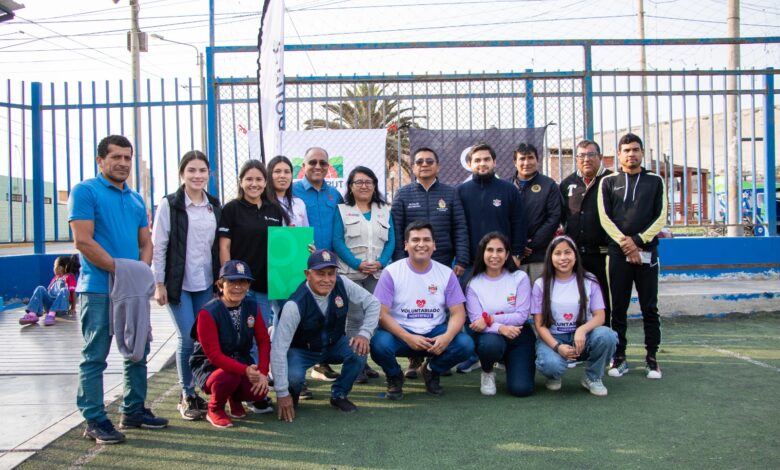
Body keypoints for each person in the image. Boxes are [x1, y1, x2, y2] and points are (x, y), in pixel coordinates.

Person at [69, 134, 168, 445]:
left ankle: (134, 409)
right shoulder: (85, 191)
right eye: (117, 157)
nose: (123, 163)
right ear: (101, 160)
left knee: (138, 350)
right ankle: (94, 418)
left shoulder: (136, 199)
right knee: (95, 355)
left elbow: (146, 243)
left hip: (131, 291)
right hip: (98, 289)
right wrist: (124, 271)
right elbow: (83, 241)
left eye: (128, 157)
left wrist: (138, 272)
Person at [151, 150, 221, 421]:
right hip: (178, 284)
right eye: (191, 170)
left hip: (206, 283)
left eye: (202, 170)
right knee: (187, 337)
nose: (197, 175)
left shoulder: (214, 205)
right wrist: (159, 284)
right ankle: (187, 393)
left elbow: (216, 246)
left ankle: (202, 388)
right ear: (182, 173)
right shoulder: (169, 204)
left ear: (209, 174)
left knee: (204, 338)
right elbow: (160, 246)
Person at [370, 221, 475, 399]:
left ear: (434, 245)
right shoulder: (392, 272)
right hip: (401, 334)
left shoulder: (446, 273)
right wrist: (407, 337)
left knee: (465, 345)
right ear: (406, 245)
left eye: (426, 240)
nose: (421, 244)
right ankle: (395, 376)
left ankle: (431, 370)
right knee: (379, 344)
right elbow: (381, 314)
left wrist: (447, 336)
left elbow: (458, 312)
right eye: (415, 239)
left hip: (434, 332)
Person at [272, 249, 380, 421]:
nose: (327, 280)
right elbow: (278, 349)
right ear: (307, 274)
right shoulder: (294, 305)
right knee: (293, 378)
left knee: (359, 351)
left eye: (331, 273)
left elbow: (373, 303)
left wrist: (365, 333)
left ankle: (339, 395)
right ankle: (291, 396)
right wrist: (281, 392)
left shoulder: (342, 283)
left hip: (333, 344)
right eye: (320, 274)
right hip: (302, 350)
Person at [391, 147, 470, 378]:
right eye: (419, 161)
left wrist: (462, 259)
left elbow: (460, 227)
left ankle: (439, 358)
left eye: (429, 161)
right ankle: (414, 359)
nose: (424, 165)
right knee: (415, 311)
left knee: (442, 312)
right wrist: (398, 261)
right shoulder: (404, 194)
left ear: (437, 166)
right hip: (411, 265)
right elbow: (396, 230)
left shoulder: (450, 193)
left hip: (444, 262)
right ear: (414, 167)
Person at [598, 133, 667, 379]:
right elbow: (605, 218)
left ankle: (652, 358)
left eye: (635, 149)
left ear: (642, 153)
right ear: (619, 154)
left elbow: (661, 217)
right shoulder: (608, 182)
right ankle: (619, 357)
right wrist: (626, 246)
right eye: (626, 150)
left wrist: (637, 242)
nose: (631, 154)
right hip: (617, 255)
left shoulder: (655, 181)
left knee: (650, 307)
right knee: (618, 308)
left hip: (647, 252)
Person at [456, 142, 526, 373]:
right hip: (471, 263)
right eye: (477, 160)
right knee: (470, 310)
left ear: (494, 162)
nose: (482, 163)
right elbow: (457, 227)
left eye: (486, 159)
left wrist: (515, 254)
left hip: (503, 262)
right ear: (470, 164)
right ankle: (475, 354)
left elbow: (518, 223)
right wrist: (462, 258)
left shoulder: (508, 190)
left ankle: (501, 352)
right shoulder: (461, 192)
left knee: (505, 305)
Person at [189, 260, 271, 428]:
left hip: (240, 361)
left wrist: (262, 372)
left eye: (243, 282)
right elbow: (213, 356)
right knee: (229, 377)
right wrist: (246, 370)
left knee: (260, 389)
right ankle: (215, 409)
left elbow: (263, 340)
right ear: (221, 284)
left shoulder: (251, 305)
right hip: (209, 366)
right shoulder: (208, 312)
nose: (238, 287)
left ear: (248, 285)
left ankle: (235, 399)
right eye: (232, 281)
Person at [532, 235, 617, 396]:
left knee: (607, 336)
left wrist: (582, 330)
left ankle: (592, 377)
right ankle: (554, 375)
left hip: (582, 338)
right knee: (552, 365)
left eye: (567, 252)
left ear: (575, 255)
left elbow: (600, 316)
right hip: (554, 337)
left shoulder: (589, 280)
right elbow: (539, 324)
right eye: (557, 253)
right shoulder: (540, 284)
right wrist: (557, 347)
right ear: (550, 257)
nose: (563, 258)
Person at [333, 166, 393, 383]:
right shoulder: (342, 210)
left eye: (369, 182)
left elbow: (391, 241)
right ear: (350, 186)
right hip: (352, 273)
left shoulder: (384, 209)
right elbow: (337, 241)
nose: (364, 186)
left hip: (378, 273)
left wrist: (382, 262)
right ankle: (355, 365)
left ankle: (363, 360)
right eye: (359, 182)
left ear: (375, 185)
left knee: (373, 318)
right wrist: (357, 264)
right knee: (354, 318)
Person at [292, 146, 345, 382]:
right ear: (303, 166)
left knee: (326, 313)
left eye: (323, 163)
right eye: (312, 162)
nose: (317, 166)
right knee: (298, 316)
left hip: (327, 269)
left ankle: (321, 364)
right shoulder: (291, 191)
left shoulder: (335, 196)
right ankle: (297, 373)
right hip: (298, 265)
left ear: (328, 167)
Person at [464, 232, 535, 397]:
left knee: (521, 389)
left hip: (519, 334)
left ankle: (510, 362)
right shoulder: (473, 283)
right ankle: (487, 370)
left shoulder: (519, 277)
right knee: (490, 345)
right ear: (482, 253)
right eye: (489, 250)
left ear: (507, 254)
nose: (494, 255)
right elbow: (476, 321)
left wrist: (491, 319)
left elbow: (521, 316)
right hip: (490, 336)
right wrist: (501, 328)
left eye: (500, 250)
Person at [218, 159, 287, 329]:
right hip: (240, 283)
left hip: (266, 284)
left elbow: (282, 246)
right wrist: (228, 279)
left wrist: (306, 249)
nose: (254, 184)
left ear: (265, 183)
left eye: (258, 179)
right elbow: (224, 247)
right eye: (249, 179)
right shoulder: (231, 209)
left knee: (260, 333)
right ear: (241, 182)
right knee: (239, 332)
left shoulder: (275, 210)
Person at [560, 139, 613, 327]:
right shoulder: (567, 184)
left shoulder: (612, 180)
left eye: (591, 154)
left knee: (605, 302)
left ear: (599, 157)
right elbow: (561, 217)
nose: (586, 159)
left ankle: (610, 347)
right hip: (576, 256)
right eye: (581, 155)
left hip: (604, 255)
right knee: (578, 301)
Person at [511, 143, 562, 284]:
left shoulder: (549, 185)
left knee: (540, 299)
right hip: (513, 257)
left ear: (537, 160)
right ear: (515, 162)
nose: (526, 162)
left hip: (539, 256)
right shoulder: (507, 187)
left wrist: (532, 244)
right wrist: (517, 245)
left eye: (530, 158)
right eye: (522, 159)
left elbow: (554, 217)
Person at [19, 255, 79, 326]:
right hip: (49, 307)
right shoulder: (55, 278)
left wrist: (73, 308)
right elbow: (48, 293)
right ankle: (32, 314)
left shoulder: (69, 277)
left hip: (61, 308)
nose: (53, 268)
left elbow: (73, 293)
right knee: (40, 288)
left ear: (60, 268)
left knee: (64, 290)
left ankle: (51, 314)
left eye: (54, 265)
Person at [266, 155, 309, 227]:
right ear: (269, 174)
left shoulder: (299, 203)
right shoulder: (261, 203)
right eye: (277, 171)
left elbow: (306, 236)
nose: (283, 175)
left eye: (287, 172)